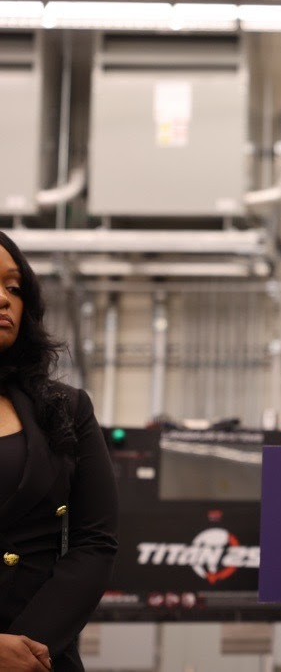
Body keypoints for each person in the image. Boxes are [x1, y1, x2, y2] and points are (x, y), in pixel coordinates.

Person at [0, 231, 118, 671]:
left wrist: (28, 647)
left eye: (14, 287)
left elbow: (95, 541)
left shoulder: (66, 408)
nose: (4, 299)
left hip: (39, 657)